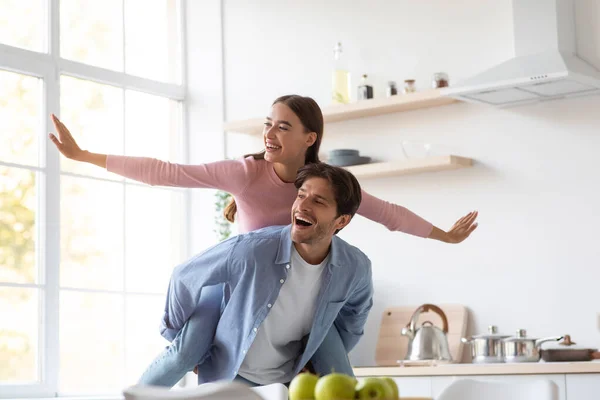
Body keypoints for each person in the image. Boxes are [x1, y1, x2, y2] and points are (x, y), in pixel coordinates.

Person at [49, 94, 478, 386]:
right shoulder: (245, 172)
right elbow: (169, 171)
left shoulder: (323, 184)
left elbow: (388, 213)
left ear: (309, 139)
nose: (269, 134)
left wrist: (444, 235)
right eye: (268, 124)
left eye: (283, 127)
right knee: (183, 355)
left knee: (336, 367)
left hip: (300, 294)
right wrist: (86, 156)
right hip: (238, 290)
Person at [146, 162, 373, 386]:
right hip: (230, 370)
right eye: (301, 195)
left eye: (318, 201)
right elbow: (184, 276)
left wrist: (314, 355)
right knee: (182, 353)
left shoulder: (355, 267)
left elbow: (354, 317)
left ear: (341, 220)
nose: (302, 206)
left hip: (283, 379)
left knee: (334, 351)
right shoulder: (253, 249)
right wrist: (176, 335)